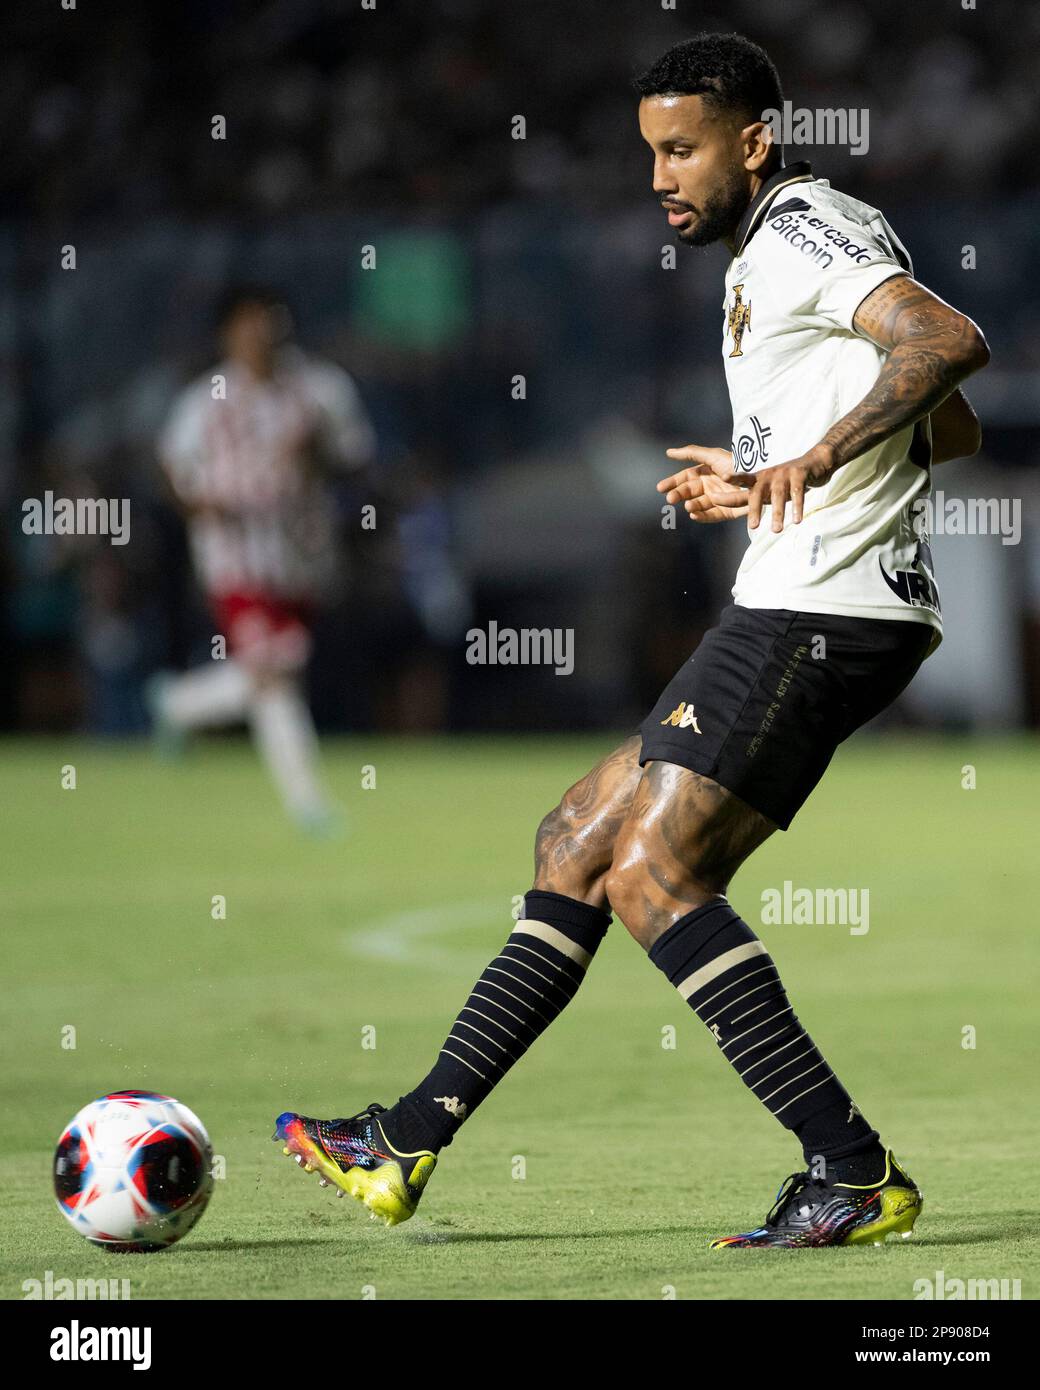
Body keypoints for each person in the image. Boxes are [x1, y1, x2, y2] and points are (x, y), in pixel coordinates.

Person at [274, 33, 988, 1247]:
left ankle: (849, 1170)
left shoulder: (810, 227)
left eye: (680, 149)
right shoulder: (767, 251)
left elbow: (946, 343)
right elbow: (952, 427)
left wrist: (803, 462)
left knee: (656, 878)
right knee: (575, 838)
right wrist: (764, 470)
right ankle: (401, 1143)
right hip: (803, 592)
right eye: (648, 150)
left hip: (825, 608)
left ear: (751, 140)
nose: (658, 175)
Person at [152, 287, 375, 831]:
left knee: (277, 669)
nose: (259, 335)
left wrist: (314, 451)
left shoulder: (318, 390)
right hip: (234, 556)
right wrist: (199, 504)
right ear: (228, 333)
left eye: (268, 323)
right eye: (247, 324)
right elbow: (169, 466)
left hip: (301, 556)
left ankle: (178, 704)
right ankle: (308, 804)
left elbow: (355, 457)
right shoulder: (204, 399)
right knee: (273, 671)